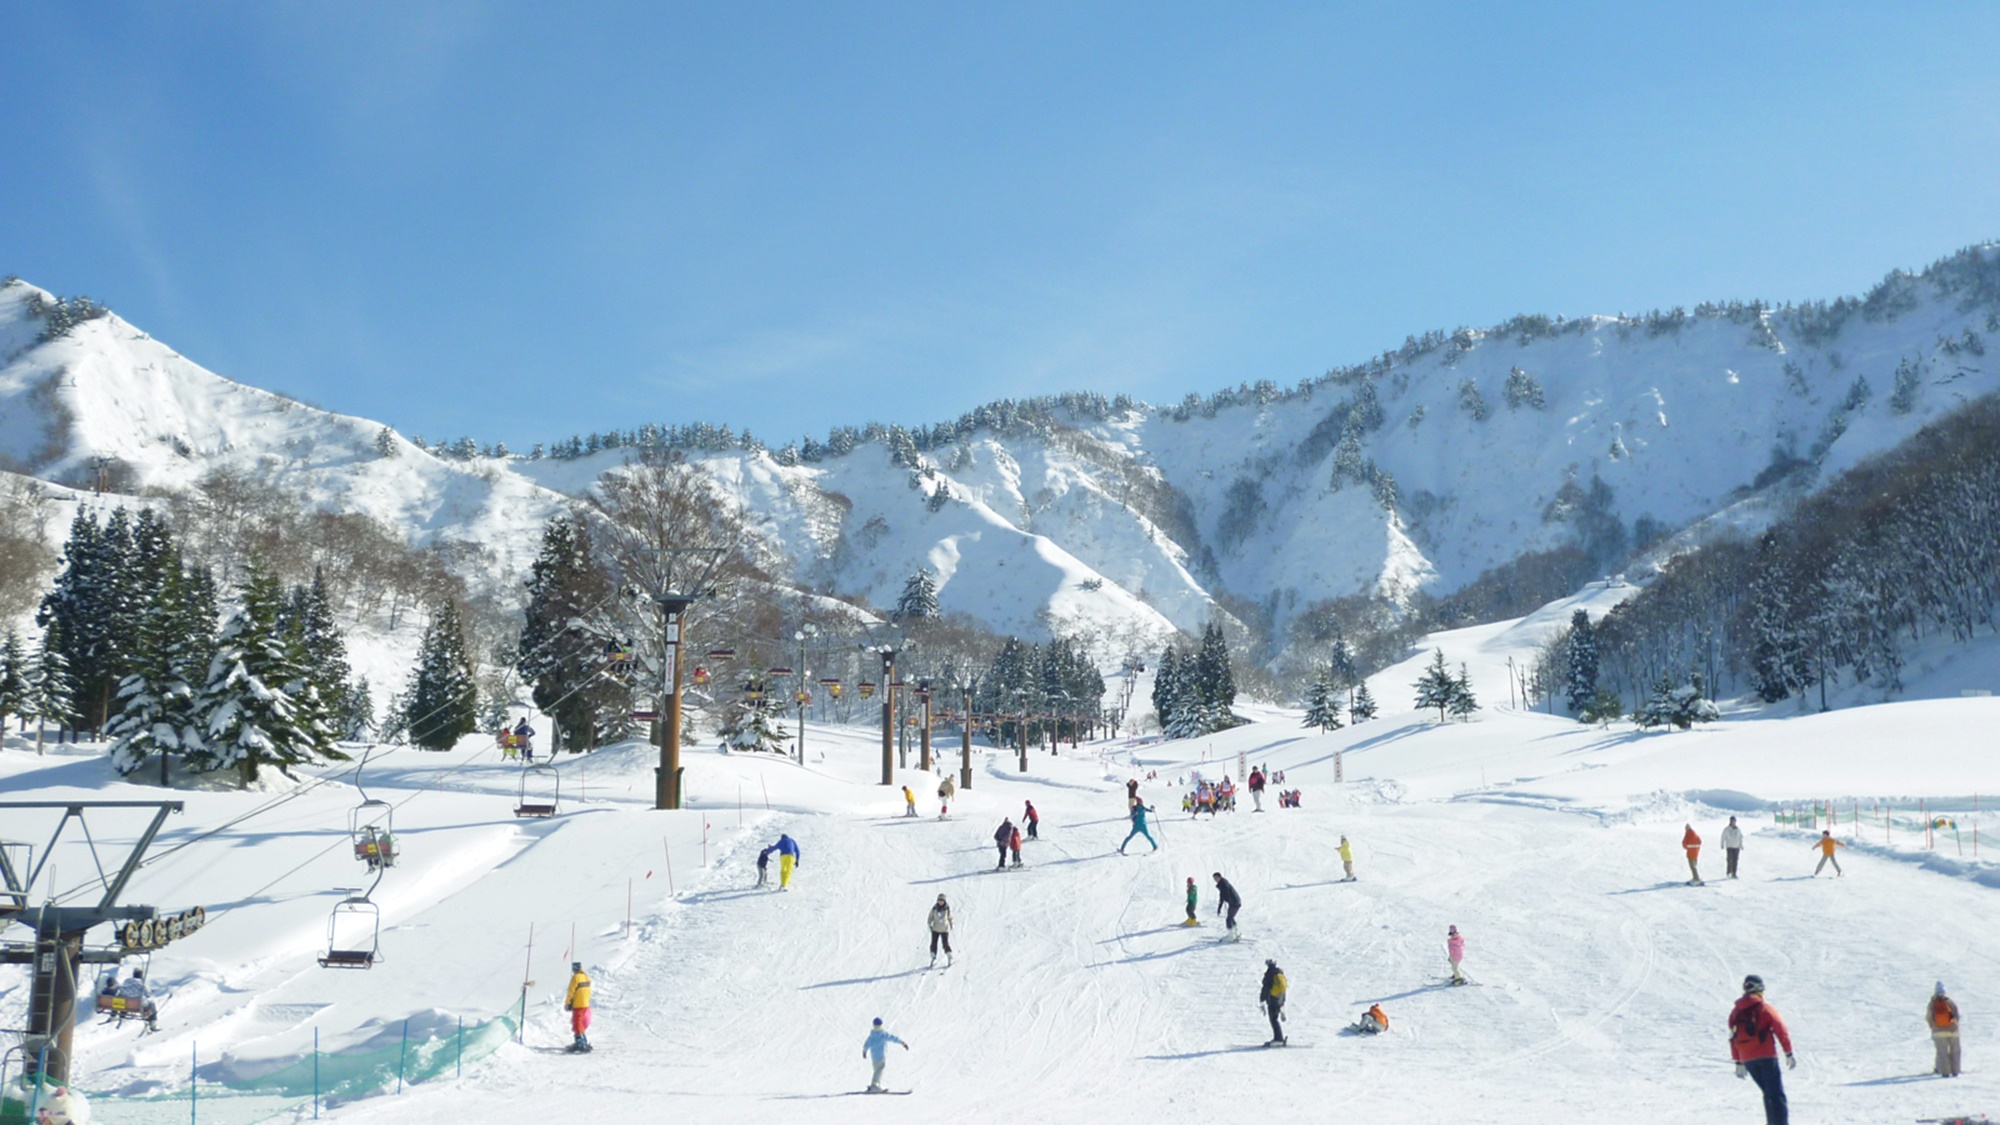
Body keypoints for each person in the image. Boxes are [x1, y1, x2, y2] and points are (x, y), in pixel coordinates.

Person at [1728, 974, 1795, 1125]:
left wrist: (1738, 1060)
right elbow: (1780, 1028)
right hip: (1766, 1055)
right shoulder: (1763, 1007)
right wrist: (1788, 1052)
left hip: (1747, 1058)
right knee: (1776, 1094)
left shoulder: (1736, 1011)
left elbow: (1732, 1035)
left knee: (1768, 1093)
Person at [862, 1017, 908, 1093]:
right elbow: (893, 1038)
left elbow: (866, 1044)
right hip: (880, 1056)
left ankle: (875, 1084)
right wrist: (902, 1042)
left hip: (874, 1057)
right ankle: (875, 1086)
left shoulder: (871, 1036)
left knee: (876, 1070)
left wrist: (864, 1052)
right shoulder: (883, 1035)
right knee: (879, 1070)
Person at [1929, 981, 1961, 1077]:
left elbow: (1929, 1017)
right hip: (1953, 1030)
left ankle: (1945, 1072)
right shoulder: (1949, 1001)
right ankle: (1955, 1071)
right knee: (1955, 1050)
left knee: (1942, 1051)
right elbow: (1956, 1014)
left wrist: (1934, 1027)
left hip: (1939, 1031)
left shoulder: (1932, 1003)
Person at [564, 962, 592, 1052]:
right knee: (580, 1023)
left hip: (578, 1004)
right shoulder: (586, 977)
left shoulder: (575, 978)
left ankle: (580, 1044)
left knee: (577, 1023)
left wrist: (568, 1003)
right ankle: (583, 1041)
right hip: (585, 1004)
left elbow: (571, 991)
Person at [1260, 959, 1288, 1046]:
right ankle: (1278, 1037)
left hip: (1273, 998)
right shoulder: (1279, 972)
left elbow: (1266, 988)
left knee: (1273, 1018)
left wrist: (1262, 999)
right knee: (1275, 1018)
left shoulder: (1269, 974)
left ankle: (1278, 1038)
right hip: (1280, 996)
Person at [927, 895, 954, 967]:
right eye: (939, 900)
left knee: (945, 943)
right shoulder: (934, 908)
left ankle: (949, 956)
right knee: (933, 943)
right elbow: (930, 917)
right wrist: (929, 924)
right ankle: (933, 957)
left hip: (944, 929)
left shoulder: (947, 909)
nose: (940, 902)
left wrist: (951, 923)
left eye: (942, 901)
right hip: (935, 928)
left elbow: (950, 917)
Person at [1213, 872, 1242, 937]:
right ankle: (1235, 932)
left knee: (1229, 919)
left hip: (1235, 903)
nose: (1215, 880)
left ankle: (1231, 935)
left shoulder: (1224, 884)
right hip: (1233, 903)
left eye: (1215, 878)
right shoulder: (1222, 884)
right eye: (1214, 878)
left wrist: (1219, 908)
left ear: (1219, 877)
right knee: (1230, 918)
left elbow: (1222, 897)